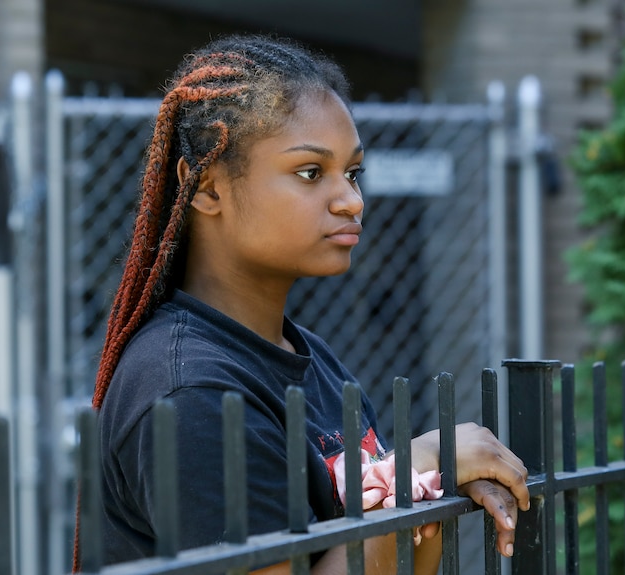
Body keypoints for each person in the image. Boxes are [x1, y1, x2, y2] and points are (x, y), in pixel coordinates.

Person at [78, 32, 529, 574]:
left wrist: (423, 485)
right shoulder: (191, 392)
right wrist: (420, 467)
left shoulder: (302, 352)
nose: (351, 200)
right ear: (207, 189)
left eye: (353, 172)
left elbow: (406, 557)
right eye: (311, 173)